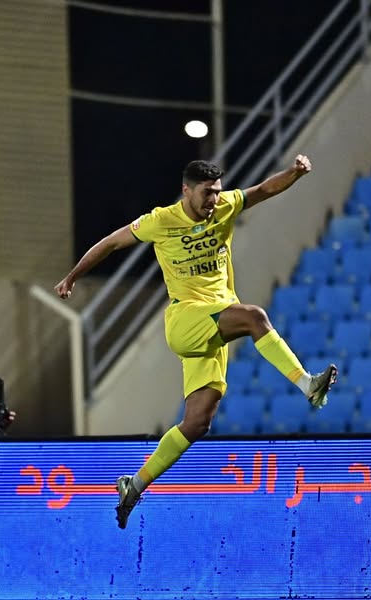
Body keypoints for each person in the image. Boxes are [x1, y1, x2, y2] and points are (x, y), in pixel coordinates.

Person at [55, 154, 338, 529]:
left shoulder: (225, 206)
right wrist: (72, 277)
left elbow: (264, 189)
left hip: (215, 325)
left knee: (197, 422)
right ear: (186, 191)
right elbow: (110, 243)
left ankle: (133, 486)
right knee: (254, 318)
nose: (214, 200)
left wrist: (296, 172)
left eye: (218, 192)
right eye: (207, 193)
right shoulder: (161, 220)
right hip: (186, 320)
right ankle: (306, 384)